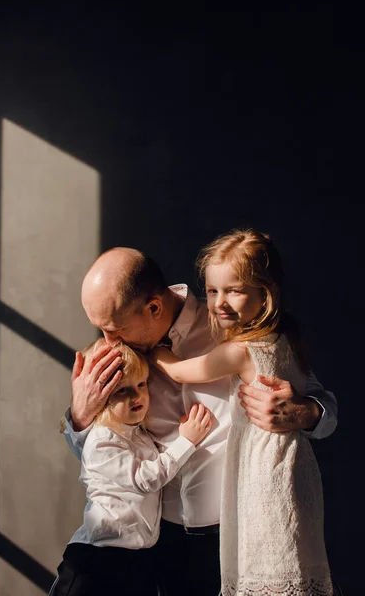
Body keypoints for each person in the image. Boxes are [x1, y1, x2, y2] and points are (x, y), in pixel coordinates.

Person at [63, 245, 337, 596]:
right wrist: (81, 417)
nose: (107, 342)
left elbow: (323, 405)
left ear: (154, 308)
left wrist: (306, 412)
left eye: (114, 329)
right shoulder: (120, 358)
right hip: (163, 546)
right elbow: (105, 463)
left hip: (241, 536)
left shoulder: (235, 324)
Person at [150, 229, 333, 596]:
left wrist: (153, 351)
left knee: (268, 557)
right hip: (285, 468)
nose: (219, 302)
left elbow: (183, 371)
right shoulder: (285, 336)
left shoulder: (242, 349)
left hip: (261, 474)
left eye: (234, 290)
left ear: (265, 294)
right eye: (213, 290)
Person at [52, 339, 212, 596]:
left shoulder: (139, 434)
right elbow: (145, 479)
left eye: (141, 384)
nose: (136, 395)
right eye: (122, 390)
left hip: (138, 558)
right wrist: (187, 441)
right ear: (101, 397)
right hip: (98, 559)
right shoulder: (101, 440)